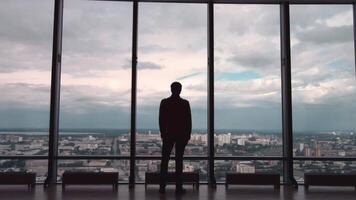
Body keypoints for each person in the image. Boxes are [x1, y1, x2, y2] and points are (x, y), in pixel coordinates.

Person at [159, 82, 192, 194]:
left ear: (171, 89)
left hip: (168, 135)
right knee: (179, 161)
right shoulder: (185, 103)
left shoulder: (164, 102)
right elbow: (188, 121)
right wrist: (187, 135)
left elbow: (161, 120)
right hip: (181, 135)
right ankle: (178, 187)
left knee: (164, 161)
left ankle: (162, 186)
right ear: (180, 90)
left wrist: (163, 134)